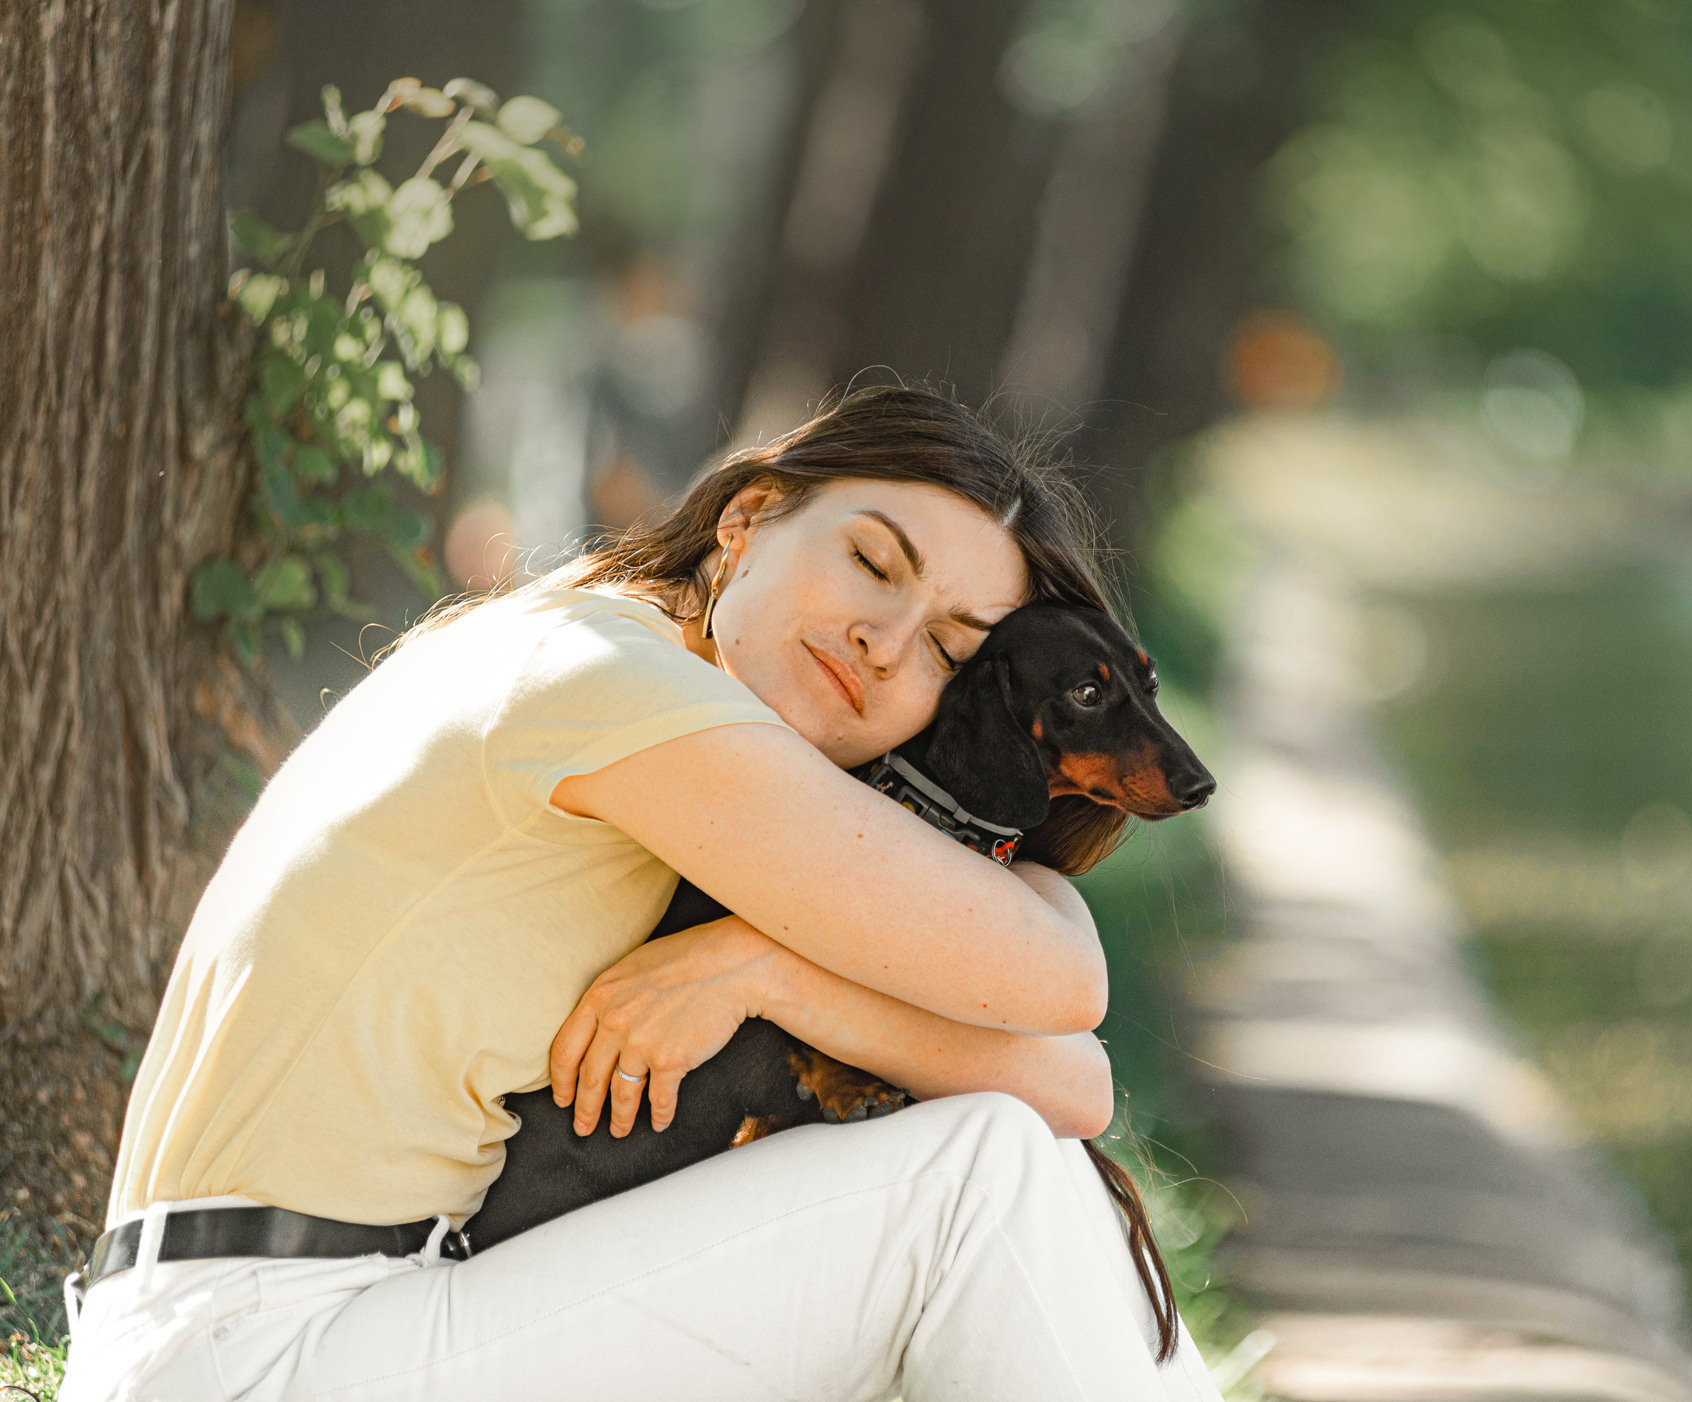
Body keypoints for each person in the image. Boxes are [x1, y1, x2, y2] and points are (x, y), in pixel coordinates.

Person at [57, 386, 1226, 1402]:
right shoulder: (619, 686)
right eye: (874, 564)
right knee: (972, 1182)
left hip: (324, 1319)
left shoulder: (606, 661)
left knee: (1006, 1162)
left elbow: (1066, 1078)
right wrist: (765, 968)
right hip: (259, 1346)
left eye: (948, 651)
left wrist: (756, 969)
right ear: (747, 519)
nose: (885, 641)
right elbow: (1061, 985)